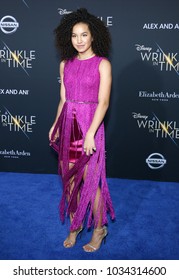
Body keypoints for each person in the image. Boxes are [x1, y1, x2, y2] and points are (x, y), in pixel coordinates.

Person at [49, 8, 115, 252]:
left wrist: (90, 133)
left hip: (90, 125)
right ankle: (76, 224)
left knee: (90, 181)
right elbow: (63, 99)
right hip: (68, 124)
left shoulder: (102, 64)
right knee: (70, 179)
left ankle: (99, 229)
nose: (79, 40)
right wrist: (56, 124)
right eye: (75, 35)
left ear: (93, 36)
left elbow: (104, 102)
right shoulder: (65, 64)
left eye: (84, 34)